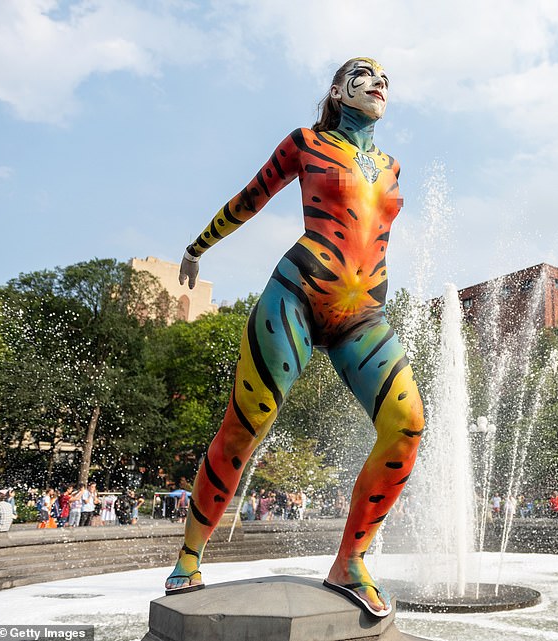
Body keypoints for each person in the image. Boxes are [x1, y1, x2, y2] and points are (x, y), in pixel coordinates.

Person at [164, 58, 423, 619]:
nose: (380, 83)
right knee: (246, 427)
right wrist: (197, 246)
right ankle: (189, 558)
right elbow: (251, 196)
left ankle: (349, 562)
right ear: (337, 90)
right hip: (297, 295)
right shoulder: (306, 142)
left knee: (407, 425)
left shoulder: (393, 165)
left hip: (365, 314)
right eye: (364, 74)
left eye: (386, 78)